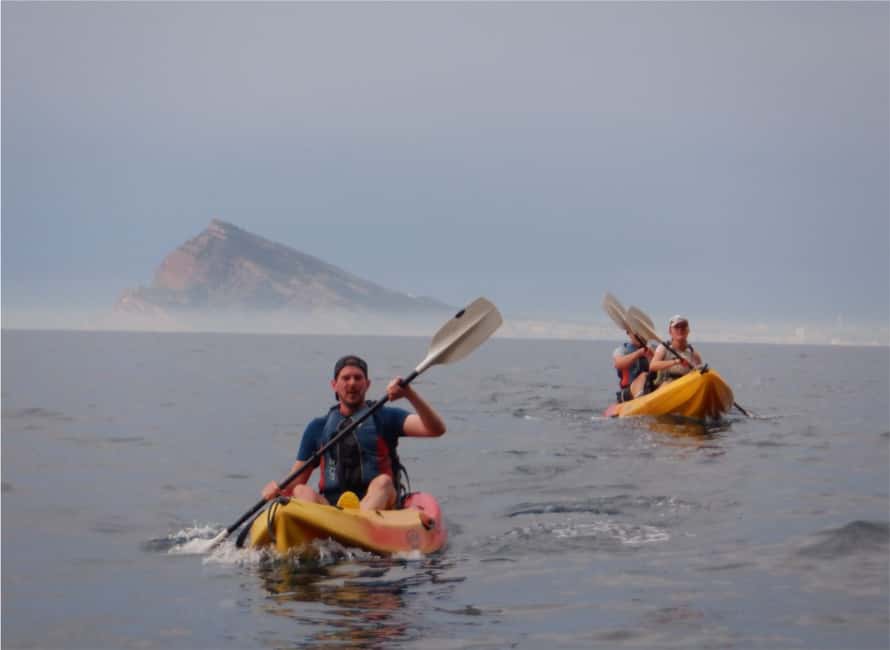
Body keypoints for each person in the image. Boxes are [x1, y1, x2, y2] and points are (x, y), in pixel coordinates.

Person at [261, 355, 446, 511]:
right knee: (301, 491)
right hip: (332, 508)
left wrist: (409, 394)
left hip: (379, 505)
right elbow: (295, 481)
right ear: (334, 385)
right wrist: (277, 488)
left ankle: (355, 523)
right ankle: (333, 525)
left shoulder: (385, 417)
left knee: (383, 482)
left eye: (358, 378)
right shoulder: (318, 427)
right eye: (346, 378)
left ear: (367, 384)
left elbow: (435, 429)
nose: (352, 383)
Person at [648, 315, 703, 386]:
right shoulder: (663, 348)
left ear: (688, 331)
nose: (680, 330)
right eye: (676, 327)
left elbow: (700, 373)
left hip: (687, 384)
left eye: (683, 327)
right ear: (670, 331)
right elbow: (652, 366)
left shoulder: (694, 353)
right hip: (667, 383)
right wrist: (676, 362)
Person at [612, 330, 653, 401]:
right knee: (644, 375)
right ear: (629, 333)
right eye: (637, 333)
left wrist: (652, 357)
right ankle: (639, 399)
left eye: (642, 333)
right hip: (629, 390)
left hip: (649, 386)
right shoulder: (622, 350)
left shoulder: (653, 349)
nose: (640, 336)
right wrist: (639, 353)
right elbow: (618, 363)